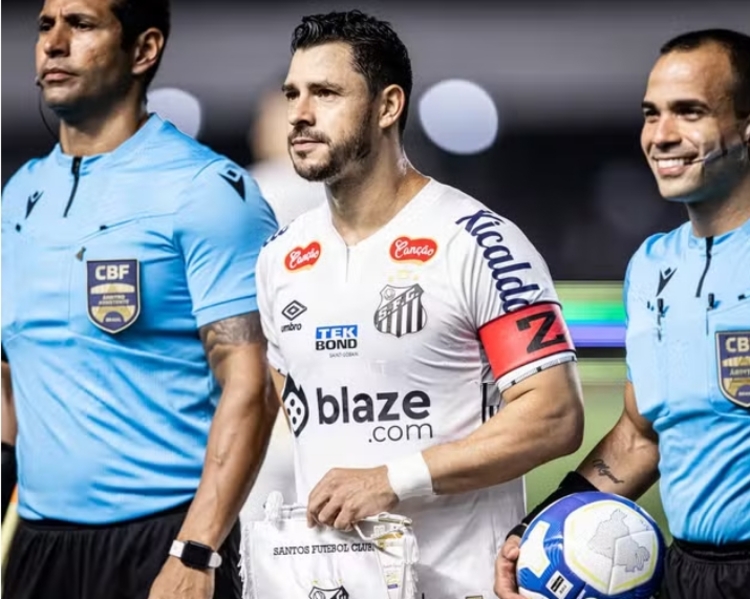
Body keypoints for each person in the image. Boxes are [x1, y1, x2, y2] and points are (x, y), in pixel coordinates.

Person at [253, 10, 585, 598]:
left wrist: (393, 478)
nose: (300, 114)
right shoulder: (280, 258)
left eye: (326, 93)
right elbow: (297, 407)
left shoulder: (479, 241)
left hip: (459, 584)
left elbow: (554, 415)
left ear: (388, 107)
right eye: (292, 94)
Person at [0, 1, 279, 598]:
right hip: (39, 549)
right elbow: (11, 377)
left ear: (144, 49)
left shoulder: (205, 191)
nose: (54, 42)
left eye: (81, 24)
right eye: (46, 25)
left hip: (162, 543)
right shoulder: (20, 195)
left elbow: (251, 383)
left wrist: (197, 550)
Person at [495, 29, 750, 599]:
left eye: (689, 112)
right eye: (650, 114)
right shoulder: (652, 267)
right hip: (686, 575)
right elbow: (640, 436)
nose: (661, 135)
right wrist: (532, 531)